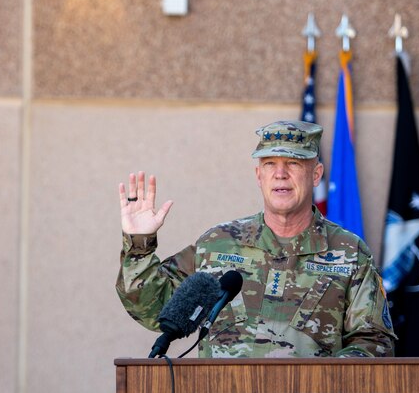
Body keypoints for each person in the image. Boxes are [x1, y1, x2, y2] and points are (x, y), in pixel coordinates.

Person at [116, 120, 395, 357]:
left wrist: (320, 380)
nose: (280, 174)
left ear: (316, 175)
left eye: (294, 163)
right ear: (258, 175)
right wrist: (140, 244)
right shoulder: (217, 244)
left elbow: (374, 342)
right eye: (270, 163)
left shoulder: (348, 252)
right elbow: (153, 310)